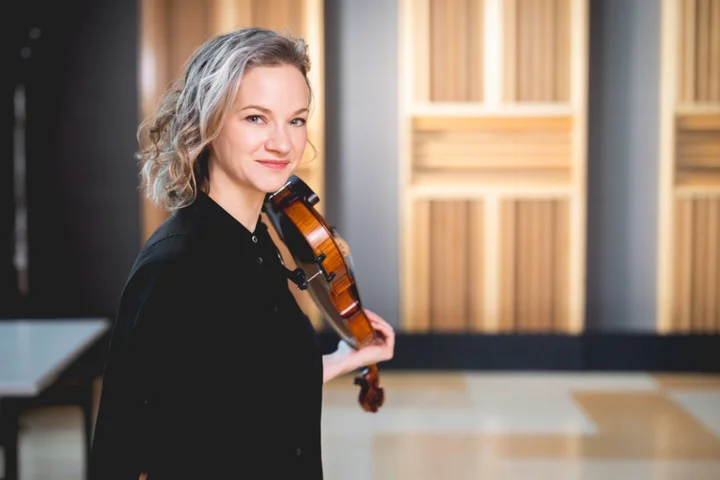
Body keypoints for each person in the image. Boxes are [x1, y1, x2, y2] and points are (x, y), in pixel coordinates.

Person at [89, 27, 395, 480]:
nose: (282, 143)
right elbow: (121, 453)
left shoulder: (256, 240)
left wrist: (342, 359)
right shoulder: (175, 267)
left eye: (296, 120)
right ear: (207, 123)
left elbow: (240, 385)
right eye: (256, 118)